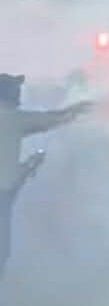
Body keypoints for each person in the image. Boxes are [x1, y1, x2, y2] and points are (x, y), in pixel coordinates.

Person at [0, 73, 93, 285]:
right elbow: (56, 119)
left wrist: (29, 165)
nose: (19, 92)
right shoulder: (12, 118)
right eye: (15, 88)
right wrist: (80, 109)